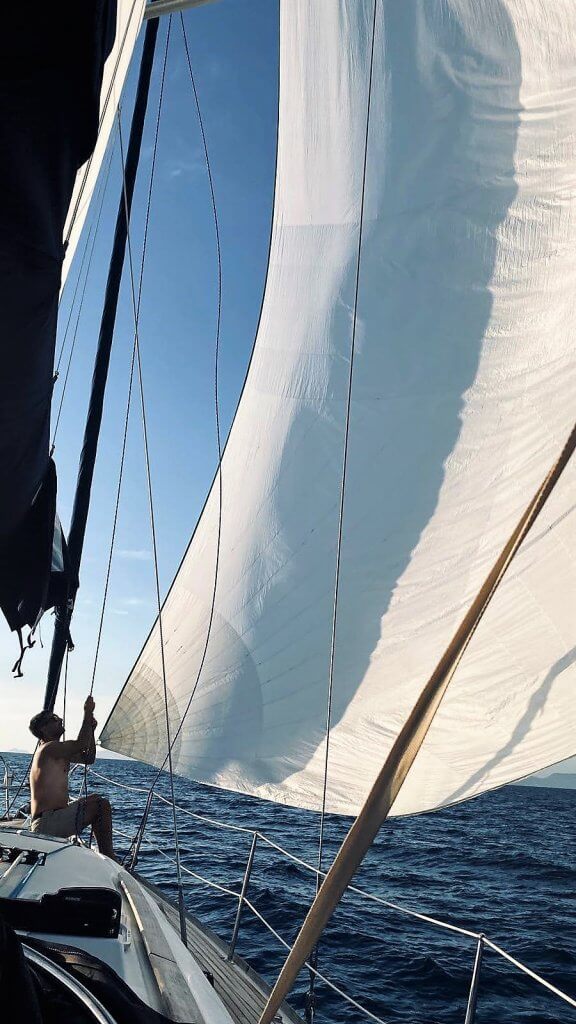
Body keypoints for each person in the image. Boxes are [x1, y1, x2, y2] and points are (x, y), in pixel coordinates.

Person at [28, 694, 115, 859]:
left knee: (94, 799)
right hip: (47, 823)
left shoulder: (57, 752)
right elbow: (81, 744)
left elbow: (88, 758)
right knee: (100, 806)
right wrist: (87, 712)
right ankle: (110, 858)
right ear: (44, 729)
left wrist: (91, 729)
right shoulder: (49, 748)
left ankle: (108, 856)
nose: (59, 719)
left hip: (52, 819)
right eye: (54, 719)